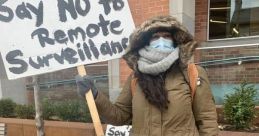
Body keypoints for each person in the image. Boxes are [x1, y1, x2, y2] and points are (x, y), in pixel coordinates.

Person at [76, 16, 219, 136]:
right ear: (146, 42)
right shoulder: (135, 78)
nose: (161, 40)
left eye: (166, 36)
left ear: (175, 39)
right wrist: (95, 95)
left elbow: (207, 120)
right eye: (155, 37)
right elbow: (119, 116)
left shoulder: (192, 73)